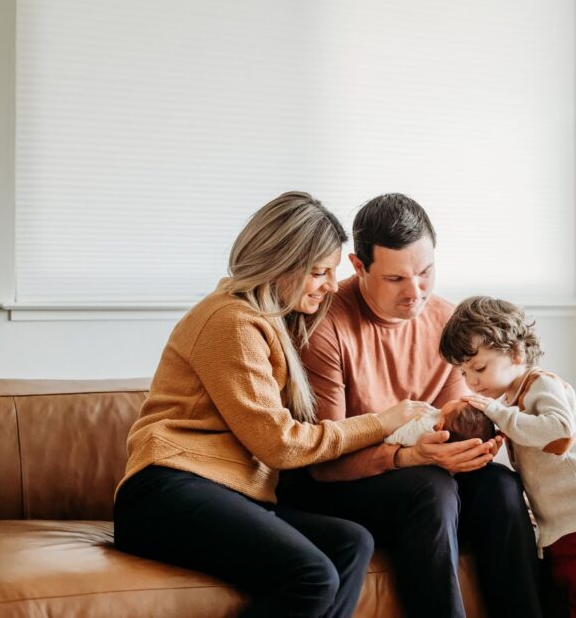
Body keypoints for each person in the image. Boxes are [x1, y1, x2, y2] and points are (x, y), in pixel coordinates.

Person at [112, 191, 430, 618]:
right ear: (279, 264)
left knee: (352, 543)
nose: (331, 286)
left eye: (332, 272)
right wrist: (381, 422)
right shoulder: (231, 321)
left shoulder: (274, 323)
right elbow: (280, 444)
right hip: (165, 493)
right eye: (319, 272)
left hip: (231, 494)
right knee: (312, 574)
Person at [278, 193, 544, 618]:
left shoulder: (452, 323)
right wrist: (408, 456)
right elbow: (322, 461)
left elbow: (462, 419)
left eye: (425, 272)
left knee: (500, 487)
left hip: (422, 473)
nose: (415, 292)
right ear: (359, 266)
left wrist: (473, 449)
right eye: (396, 279)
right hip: (334, 483)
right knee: (430, 489)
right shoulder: (323, 327)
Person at [440, 296, 576, 618]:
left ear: (516, 353)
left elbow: (559, 433)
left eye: (479, 368)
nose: (471, 382)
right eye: (463, 373)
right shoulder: (513, 400)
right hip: (562, 532)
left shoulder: (542, 383)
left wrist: (497, 412)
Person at [385, 398, 497, 447]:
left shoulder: (423, 427)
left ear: (439, 427)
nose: (459, 399)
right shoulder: (441, 418)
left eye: (457, 402)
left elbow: (398, 437)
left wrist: (386, 438)